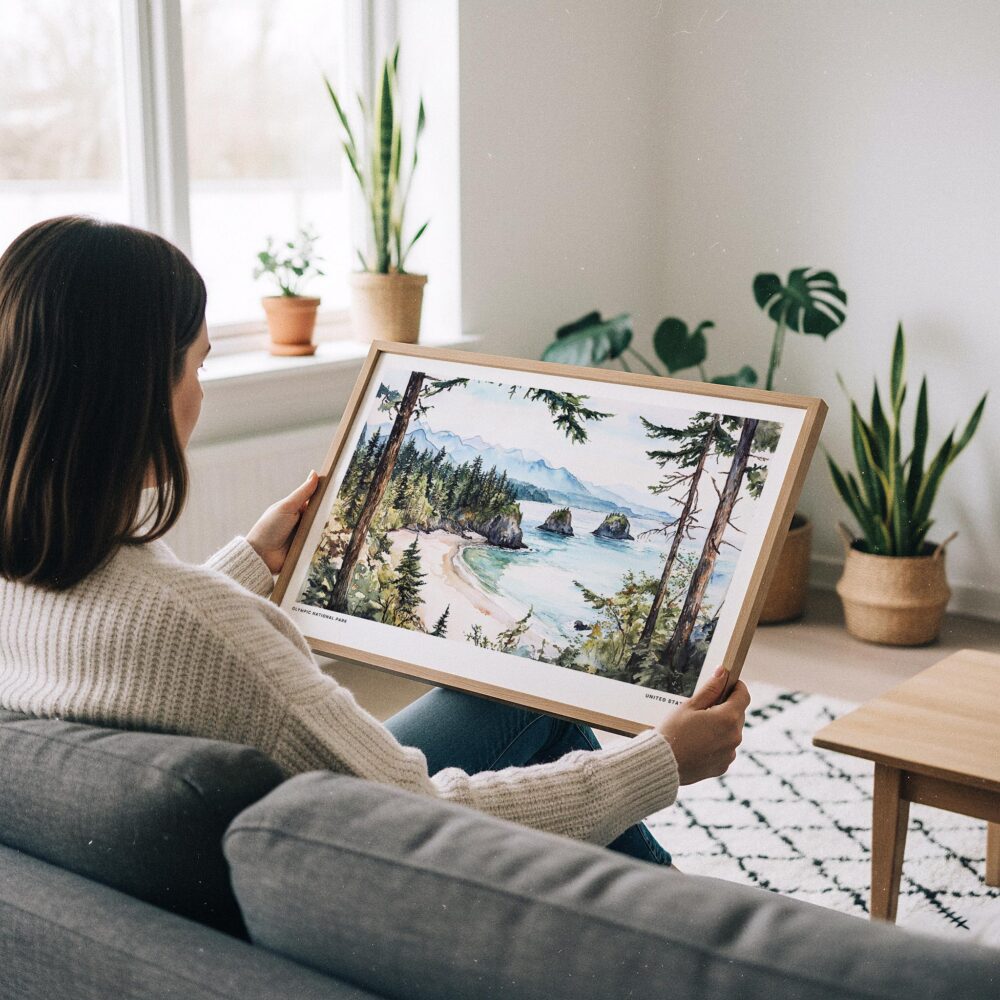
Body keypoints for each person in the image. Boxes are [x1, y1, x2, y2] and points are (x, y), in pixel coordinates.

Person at [0, 216, 749, 866]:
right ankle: (694, 935)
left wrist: (250, 564)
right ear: (135, 394)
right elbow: (418, 817)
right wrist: (660, 761)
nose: (203, 392)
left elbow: (137, 638)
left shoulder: (28, 581)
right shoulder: (207, 631)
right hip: (359, 861)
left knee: (507, 702)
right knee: (547, 719)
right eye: (198, 365)